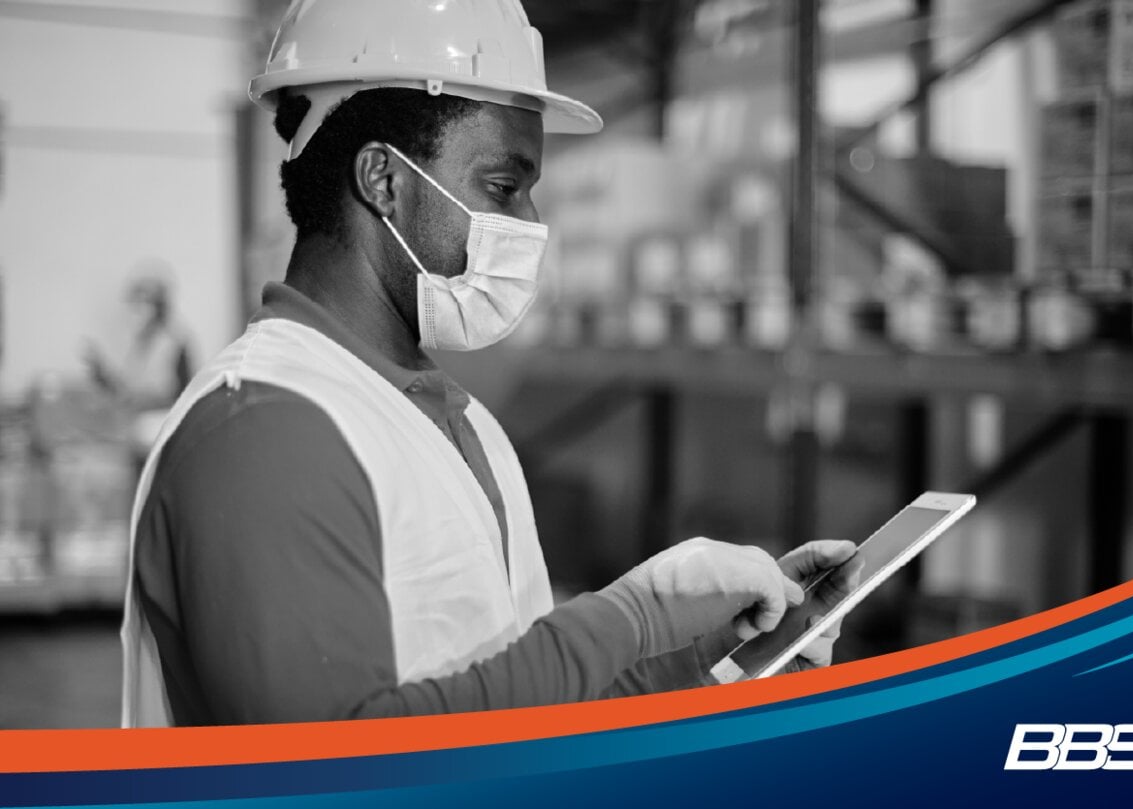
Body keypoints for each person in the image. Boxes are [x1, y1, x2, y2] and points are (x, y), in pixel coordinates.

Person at [120, 0, 859, 727]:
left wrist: (716, 657)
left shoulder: (461, 426)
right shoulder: (264, 434)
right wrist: (631, 615)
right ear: (383, 179)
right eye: (504, 187)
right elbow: (331, 764)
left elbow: (520, 703)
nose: (530, 226)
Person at [85, 267, 194, 412]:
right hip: (135, 417)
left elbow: (182, 393)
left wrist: (147, 401)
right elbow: (125, 390)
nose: (136, 310)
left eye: (144, 303)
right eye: (134, 304)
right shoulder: (137, 344)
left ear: (158, 306)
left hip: (160, 419)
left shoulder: (174, 343)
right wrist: (101, 374)